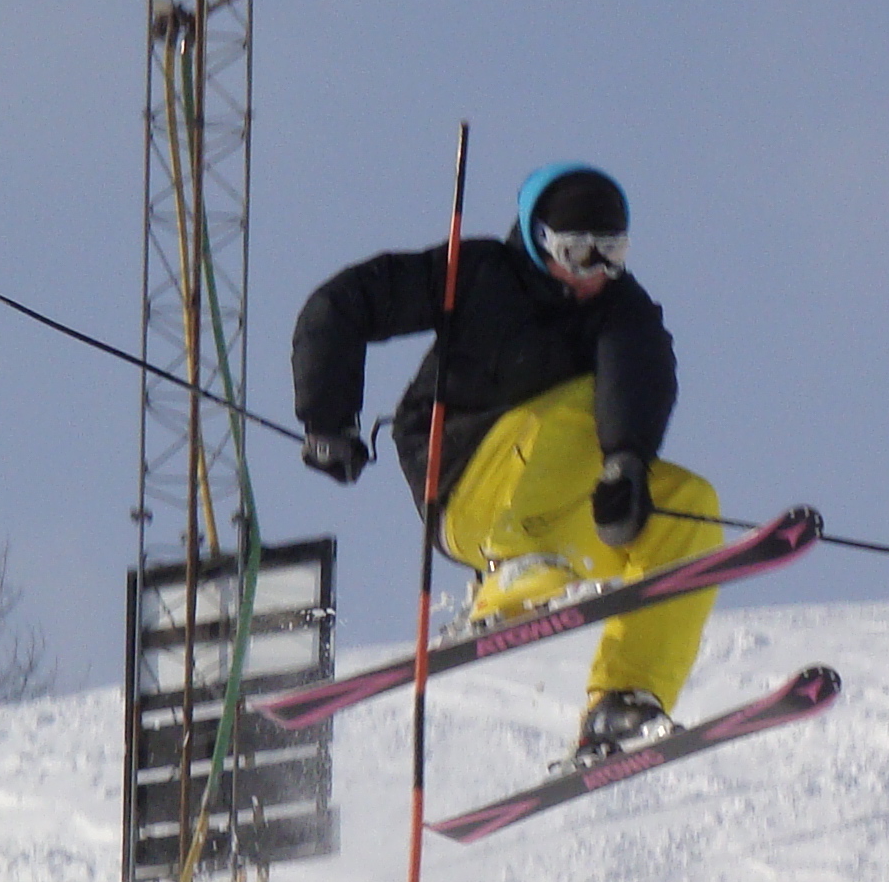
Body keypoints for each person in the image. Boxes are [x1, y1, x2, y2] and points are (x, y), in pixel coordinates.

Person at [290, 163, 725, 762]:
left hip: (561, 506)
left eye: (612, 254)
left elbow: (638, 370)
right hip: (464, 485)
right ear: (540, 240)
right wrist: (327, 419)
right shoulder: (481, 275)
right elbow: (341, 304)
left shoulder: (622, 309)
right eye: (578, 254)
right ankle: (509, 578)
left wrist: (626, 464)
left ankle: (623, 701)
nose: (595, 273)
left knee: (690, 508)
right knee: (574, 407)